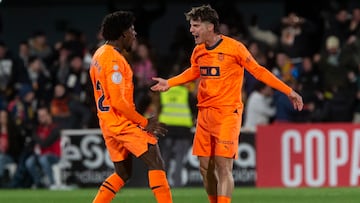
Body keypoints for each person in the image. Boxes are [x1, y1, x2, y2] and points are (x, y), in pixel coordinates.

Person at [151, 5, 303, 203]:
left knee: (223, 166)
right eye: (191, 25)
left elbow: (259, 71)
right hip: (204, 115)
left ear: (210, 27)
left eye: (195, 25)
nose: (191, 30)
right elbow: (194, 72)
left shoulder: (235, 48)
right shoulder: (198, 51)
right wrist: (169, 82)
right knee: (205, 168)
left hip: (227, 114)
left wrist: (288, 91)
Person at [89, 11, 172, 203]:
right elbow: (118, 102)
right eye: (132, 30)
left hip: (108, 122)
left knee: (123, 173)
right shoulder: (114, 61)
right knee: (156, 160)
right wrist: (144, 122)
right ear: (122, 34)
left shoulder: (99, 54)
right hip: (121, 123)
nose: (135, 34)